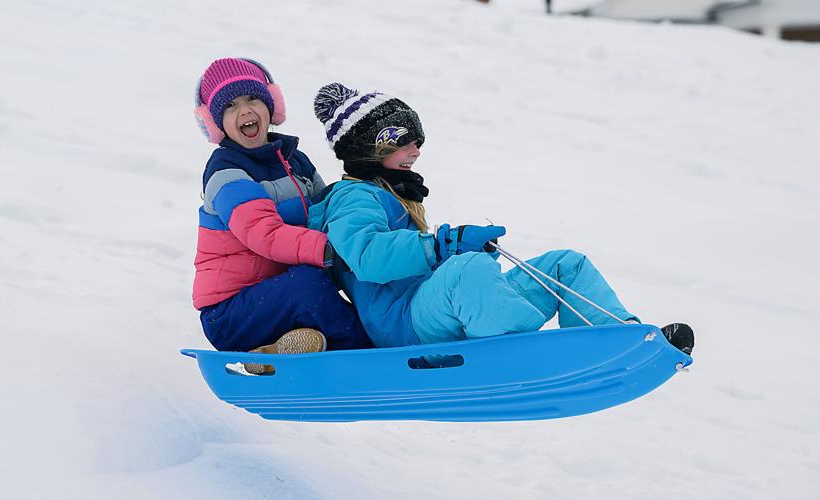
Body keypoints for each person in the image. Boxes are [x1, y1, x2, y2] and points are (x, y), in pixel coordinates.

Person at [307, 82, 694, 354]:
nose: (416, 152)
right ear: (371, 149)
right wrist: (443, 246)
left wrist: (451, 251)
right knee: (466, 270)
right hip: (403, 323)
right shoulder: (352, 197)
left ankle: (614, 339)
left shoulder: (392, 191)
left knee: (564, 265)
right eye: (405, 142)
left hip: (431, 309)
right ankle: (514, 348)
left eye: (418, 143)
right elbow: (367, 256)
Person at [191, 59, 372, 373]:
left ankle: (273, 352)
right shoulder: (224, 172)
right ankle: (372, 359)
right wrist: (330, 250)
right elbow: (265, 235)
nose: (245, 111)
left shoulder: (294, 160)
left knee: (361, 273)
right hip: (231, 314)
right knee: (309, 284)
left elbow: (325, 211)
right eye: (231, 106)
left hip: (277, 296)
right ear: (216, 121)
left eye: (252, 99)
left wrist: (366, 227)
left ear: (271, 105)